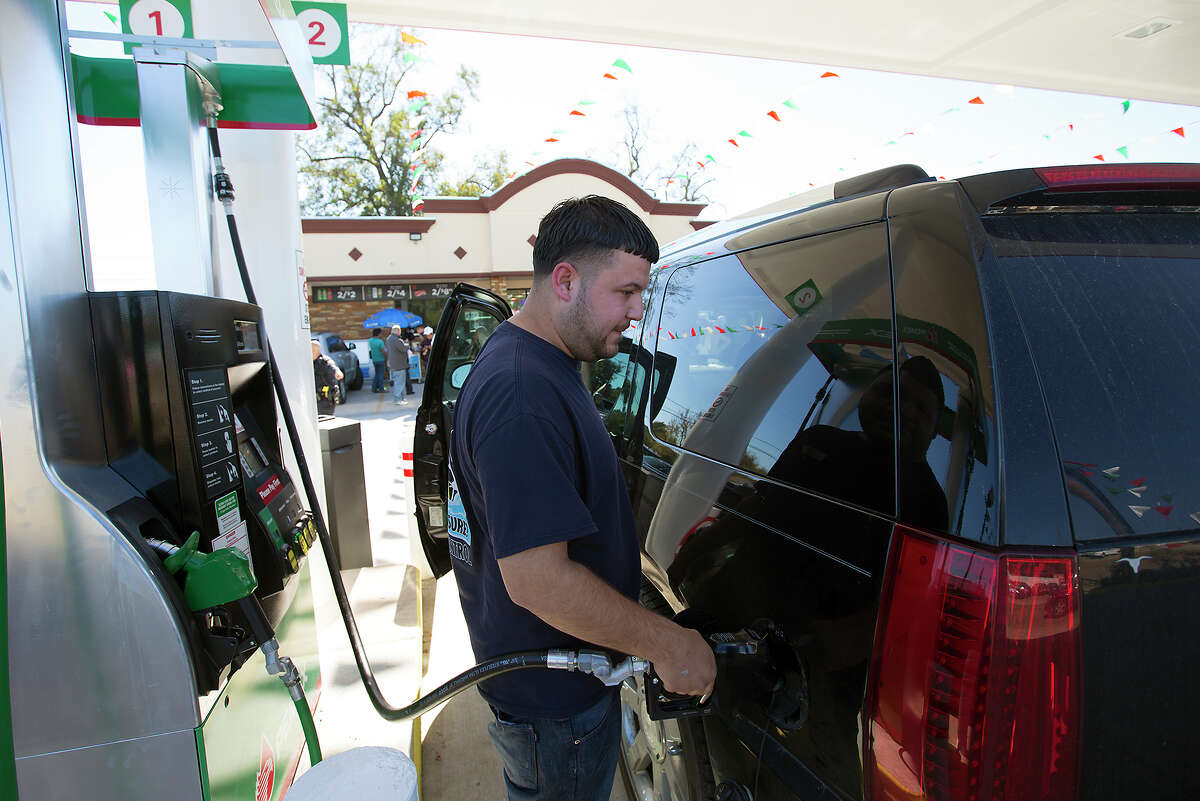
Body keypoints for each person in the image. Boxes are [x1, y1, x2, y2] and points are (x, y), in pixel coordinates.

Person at [448, 195, 716, 801]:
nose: (636, 311)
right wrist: (669, 645)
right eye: (625, 293)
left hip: (557, 696)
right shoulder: (521, 392)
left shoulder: (544, 360)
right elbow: (538, 580)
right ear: (565, 280)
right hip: (555, 712)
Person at [311, 339, 342, 417]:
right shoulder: (308, 361)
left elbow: (333, 367)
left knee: (324, 420)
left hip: (325, 399)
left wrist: (337, 372)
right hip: (313, 398)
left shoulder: (324, 361)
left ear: (314, 351)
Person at [385, 324, 411, 405]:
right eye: (399, 331)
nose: (400, 332)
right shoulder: (396, 340)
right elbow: (403, 348)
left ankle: (402, 398)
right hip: (399, 365)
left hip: (394, 364)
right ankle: (398, 399)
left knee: (399, 382)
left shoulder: (389, 339)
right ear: (397, 331)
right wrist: (407, 343)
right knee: (399, 383)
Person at [368, 327, 388, 393]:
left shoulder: (370, 340)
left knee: (377, 374)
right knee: (381, 375)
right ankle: (381, 389)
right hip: (381, 359)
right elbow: (383, 351)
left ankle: (374, 388)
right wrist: (386, 357)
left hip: (374, 359)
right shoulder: (380, 341)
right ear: (379, 334)